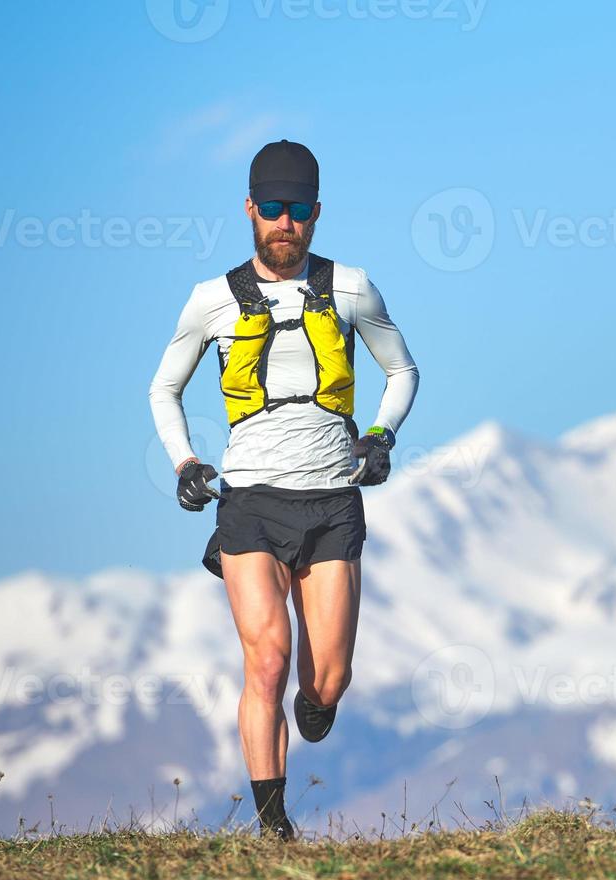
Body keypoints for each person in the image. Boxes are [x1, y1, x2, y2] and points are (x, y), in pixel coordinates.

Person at [149, 140, 419, 839]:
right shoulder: (211, 300)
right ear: (249, 210)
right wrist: (185, 464)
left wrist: (381, 438)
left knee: (326, 681)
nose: (284, 223)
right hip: (250, 504)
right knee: (265, 657)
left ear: (317, 214)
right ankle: (274, 826)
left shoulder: (353, 287)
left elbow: (403, 372)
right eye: (272, 209)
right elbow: (164, 388)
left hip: (331, 501)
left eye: (298, 211)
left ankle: (318, 701)